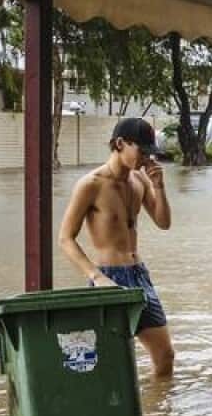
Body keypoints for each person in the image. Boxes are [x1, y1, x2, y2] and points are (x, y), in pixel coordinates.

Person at [59, 117, 175, 377]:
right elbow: (65, 238)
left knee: (165, 356)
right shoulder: (91, 184)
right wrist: (96, 276)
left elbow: (163, 222)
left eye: (149, 152)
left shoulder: (140, 180)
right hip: (108, 277)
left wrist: (159, 186)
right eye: (142, 151)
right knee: (110, 362)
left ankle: (156, 415)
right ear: (121, 144)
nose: (146, 158)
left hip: (138, 275)